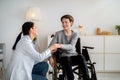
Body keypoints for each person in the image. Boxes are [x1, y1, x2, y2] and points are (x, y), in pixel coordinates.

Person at [49, 14, 90, 80]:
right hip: (63, 57)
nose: (64, 24)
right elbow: (50, 46)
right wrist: (50, 57)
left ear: (71, 23)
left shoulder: (75, 34)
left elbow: (71, 47)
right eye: (62, 22)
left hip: (74, 56)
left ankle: (86, 78)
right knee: (66, 58)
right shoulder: (58, 34)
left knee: (81, 56)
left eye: (66, 22)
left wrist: (59, 45)